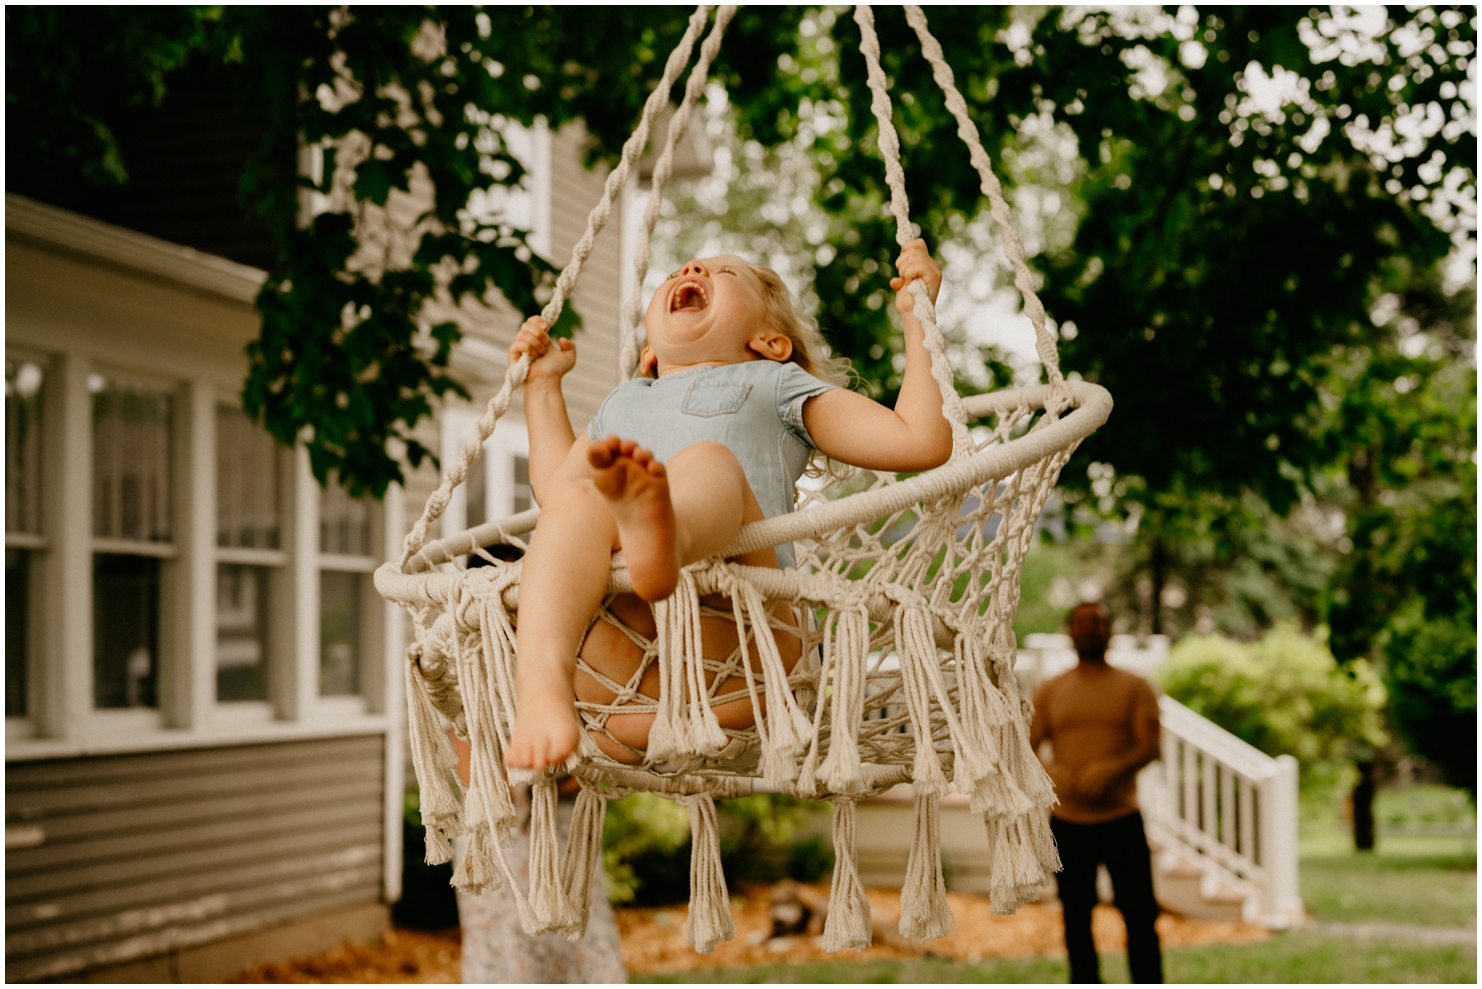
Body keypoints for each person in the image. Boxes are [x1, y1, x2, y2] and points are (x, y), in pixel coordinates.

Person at [503, 241, 951, 771]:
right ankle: (543, 683)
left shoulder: (775, 383)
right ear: (650, 354)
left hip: (745, 651)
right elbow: (556, 497)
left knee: (709, 462)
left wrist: (918, 317)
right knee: (577, 500)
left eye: (723, 272)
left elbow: (917, 441)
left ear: (770, 342)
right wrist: (542, 386)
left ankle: (665, 534)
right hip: (621, 682)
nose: (692, 269)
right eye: (683, 269)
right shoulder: (624, 402)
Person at [1030, 601, 1164, 984]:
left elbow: (1150, 747)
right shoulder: (1050, 689)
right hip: (1069, 824)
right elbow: (1025, 749)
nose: (1089, 628)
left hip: (1122, 820)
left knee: (1140, 919)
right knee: (1076, 921)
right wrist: (1051, 770)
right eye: (1081, 622)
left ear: (1110, 630)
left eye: (1097, 621)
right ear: (1070, 632)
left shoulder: (1135, 686)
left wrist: (1114, 767)